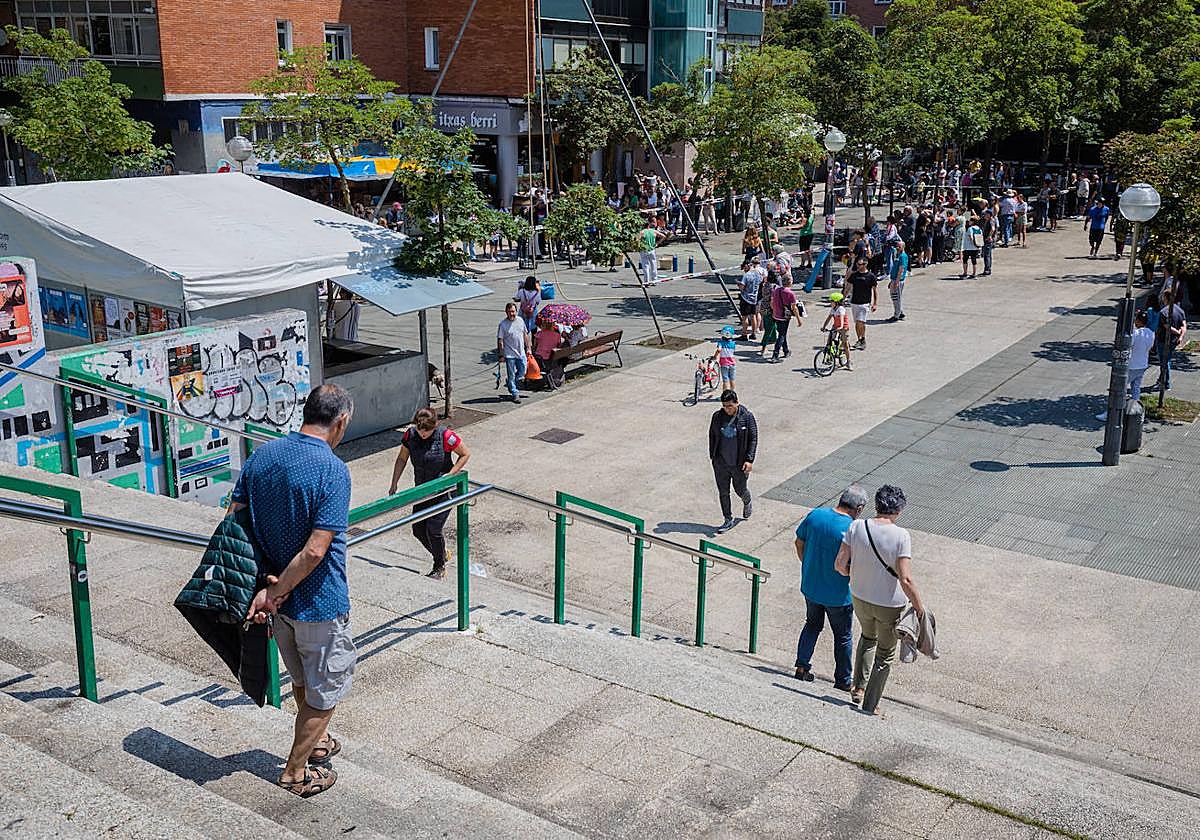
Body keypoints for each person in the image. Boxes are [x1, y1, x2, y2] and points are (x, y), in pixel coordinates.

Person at [237, 384, 356, 798]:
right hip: (318, 602)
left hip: (277, 602)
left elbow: (235, 520)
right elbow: (315, 551)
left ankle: (318, 742)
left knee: (304, 679)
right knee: (326, 693)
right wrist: (277, 591)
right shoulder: (332, 470)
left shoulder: (262, 456)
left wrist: (267, 587)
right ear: (340, 422)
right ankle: (295, 772)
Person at [835, 484, 926, 715]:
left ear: (876, 505)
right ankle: (871, 704)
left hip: (859, 596)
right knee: (885, 653)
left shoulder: (856, 526)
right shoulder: (901, 536)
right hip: (889, 604)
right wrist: (919, 606)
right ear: (899, 510)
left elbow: (840, 564)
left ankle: (858, 688)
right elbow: (905, 578)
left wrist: (854, 575)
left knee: (867, 637)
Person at [794, 485, 868, 690]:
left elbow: (798, 543)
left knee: (812, 625)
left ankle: (801, 666)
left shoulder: (815, 515)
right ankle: (843, 680)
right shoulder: (853, 529)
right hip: (839, 595)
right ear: (859, 508)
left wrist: (807, 564)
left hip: (811, 586)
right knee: (843, 637)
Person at [388, 407, 471, 579]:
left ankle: (439, 567)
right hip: (423, 489)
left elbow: (465, 454)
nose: (423, 434)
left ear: (435, 425)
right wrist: (394, 482)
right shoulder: (410, 436)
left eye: (427, 431)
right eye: (420, 430)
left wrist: (451, 474)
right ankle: (441, 553)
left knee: (434, 529)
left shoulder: (445, 436)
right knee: (418, 529)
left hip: (443, 491)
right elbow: (402, 458)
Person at [708, 389, 757, 534]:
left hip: (738, 463)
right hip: (721, 463)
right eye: (724, 406)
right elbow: (712, 435)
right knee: (723, 492)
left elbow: (753, 438)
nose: (727, 409)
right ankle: (728, 519)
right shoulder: (717, 417)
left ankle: (747, 500)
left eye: (729, 406)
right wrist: (713, 456)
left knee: (740, 489)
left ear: (737, 403)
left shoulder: (747, 417)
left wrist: (749, 459)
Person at [1151, 289, 1188, 392]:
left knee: (1164, 362)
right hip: (1174, 341)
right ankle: (1161, 379)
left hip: (1164, 340)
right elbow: (1184, 325)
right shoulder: (1180, 310)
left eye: (1163, 296)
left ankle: (1165, 383)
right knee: (1167, 360)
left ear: (1165, 298)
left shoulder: (1164, 312)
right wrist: (1181, 336)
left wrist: (1177, 333)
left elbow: (1168, 327)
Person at [497, 302, 531, 403]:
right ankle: (515, 393)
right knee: (511, 374)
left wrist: (528, 348)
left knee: (522, 371)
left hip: (521, 353)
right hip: (509, 354)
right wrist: (502, 354)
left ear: (516, 311)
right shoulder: (503, 324)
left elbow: (525, 334)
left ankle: (511, 383)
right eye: (509, 312)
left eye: (513, 311)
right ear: (506, 312)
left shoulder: (520, 320)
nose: (511, 313)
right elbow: (500, 340)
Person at [769, 274, 805, 363]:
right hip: (784, 316)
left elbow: (772, 303)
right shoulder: (790, 293)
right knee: (782, 335)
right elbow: (794, 308)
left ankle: (786, 350)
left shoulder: (776, 290)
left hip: (776, 315)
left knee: (782, 333)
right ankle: (775, 355)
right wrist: (799, 319)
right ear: (790, 282)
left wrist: (774, 312)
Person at [844, 257, 878, 351]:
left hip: (865, 303)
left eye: (860, 264)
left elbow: (875, 291)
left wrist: (875, 303)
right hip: (854, 302)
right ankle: (860, 339)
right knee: (857, 323)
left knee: (861, 322)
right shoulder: (854, 275)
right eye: (857, 264)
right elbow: (848, 288)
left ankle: (862, 339)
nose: (858, 266)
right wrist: (842, 298)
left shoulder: (871, 276)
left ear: (865, 264)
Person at [820, 292, 853, 371]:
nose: (830, 303)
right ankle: (830, 357)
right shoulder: (833, 309)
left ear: (837, 302)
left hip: (843, 327)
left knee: (845, 344)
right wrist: (824, 327)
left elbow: (841, 318)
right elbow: (828, 318)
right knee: (830, 340)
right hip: (835, 326)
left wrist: (841, 327)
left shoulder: (841, 309)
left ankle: (848, 362)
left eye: (831, 301)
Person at [1127, 311, 1156, 403]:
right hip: (1143, 364)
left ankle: (1112, 411)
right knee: (1136, 387)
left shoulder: (1135, 333)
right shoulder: (1151, 333)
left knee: (1120, 387)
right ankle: (1135, 407)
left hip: (1132, 364)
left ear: (1138, 321)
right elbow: (1150, 347)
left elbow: (1129, 345)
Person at [737, 258, 762, 341]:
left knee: (744, 317)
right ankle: (753, 333)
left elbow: (742, 287)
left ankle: (744, 334)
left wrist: (738, 284)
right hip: (754, 298)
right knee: (753, 316)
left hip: (746, 298)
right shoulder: (758, 274)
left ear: (747, 266)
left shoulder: (746, 275)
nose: (744, 270)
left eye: (744, 268)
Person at [886, 241, 909, 323]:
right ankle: (900, 312)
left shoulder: (903, 256)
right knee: (894, 297)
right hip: (894, 279)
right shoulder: (898, 255)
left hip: (898, 280)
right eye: (897, 246)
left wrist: (896, 282)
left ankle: (896, 315)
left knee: (896, 298)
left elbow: (901, 269)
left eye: (899, 246)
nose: (897, 248)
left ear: (903, 247)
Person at [712, 326, 739, 392]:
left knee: (725, 380)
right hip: (732, 364)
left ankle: (725, 395)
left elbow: (719, 350)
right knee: (732, 379)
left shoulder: (720, 343)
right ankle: (732, 393)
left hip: (724, 364)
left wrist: (715, 356)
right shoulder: (733, 343)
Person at [979, 209, 996, 276]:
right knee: (986, 255)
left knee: (987, 255)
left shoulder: (991, 220)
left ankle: (987, 270)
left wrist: (989, 236)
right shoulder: (988, 220)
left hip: (988, 240)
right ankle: (987, 269)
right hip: (985, 239)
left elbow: (993, 229)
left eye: (986, 214)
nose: (985, 215)